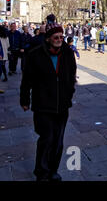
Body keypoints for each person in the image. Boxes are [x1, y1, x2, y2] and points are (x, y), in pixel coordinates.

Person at [20, 22, 77, 181]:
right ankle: (42, 172)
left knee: (58, 142)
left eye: (61, 37)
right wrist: (25, 99)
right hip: (43, 106)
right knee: (47, 139)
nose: (59, 39)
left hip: (62, 106)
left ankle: (53, 170)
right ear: (48, 39)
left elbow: (72, 76)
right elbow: (27, 80)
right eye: (55, 37)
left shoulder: (67, 53)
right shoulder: (35, 54)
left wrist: (69, 93)